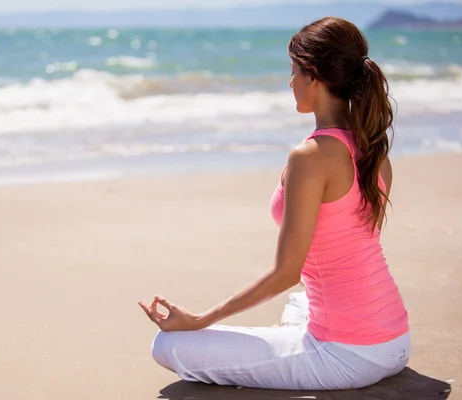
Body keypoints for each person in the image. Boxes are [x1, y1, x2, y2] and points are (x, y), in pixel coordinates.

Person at [138, 16, 410, 391]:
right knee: (302, 304)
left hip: (347, 354)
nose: (290, 81)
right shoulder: (373, 148)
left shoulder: (310, 156)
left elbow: (287, 272)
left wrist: (202, 319)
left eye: (295, 71)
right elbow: (353, 247)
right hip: (395, 341)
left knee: (169, 344)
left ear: (314, 77)